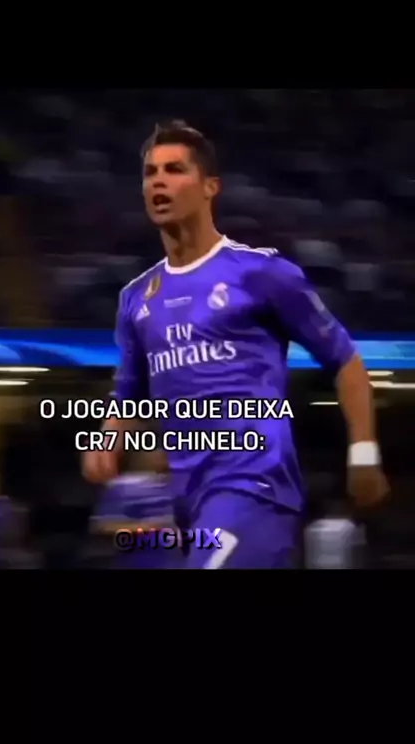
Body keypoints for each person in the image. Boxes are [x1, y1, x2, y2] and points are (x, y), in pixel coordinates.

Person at [82, 120, 390, 569]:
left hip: (255, 487)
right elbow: (131, 388)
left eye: (175, 169)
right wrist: (108, 441)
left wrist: (363, 453)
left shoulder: (260, 273)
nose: (159, 181)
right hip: (188, 500)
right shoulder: (136, 298)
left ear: (210, 187)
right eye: (150, 173)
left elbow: (345, 361)